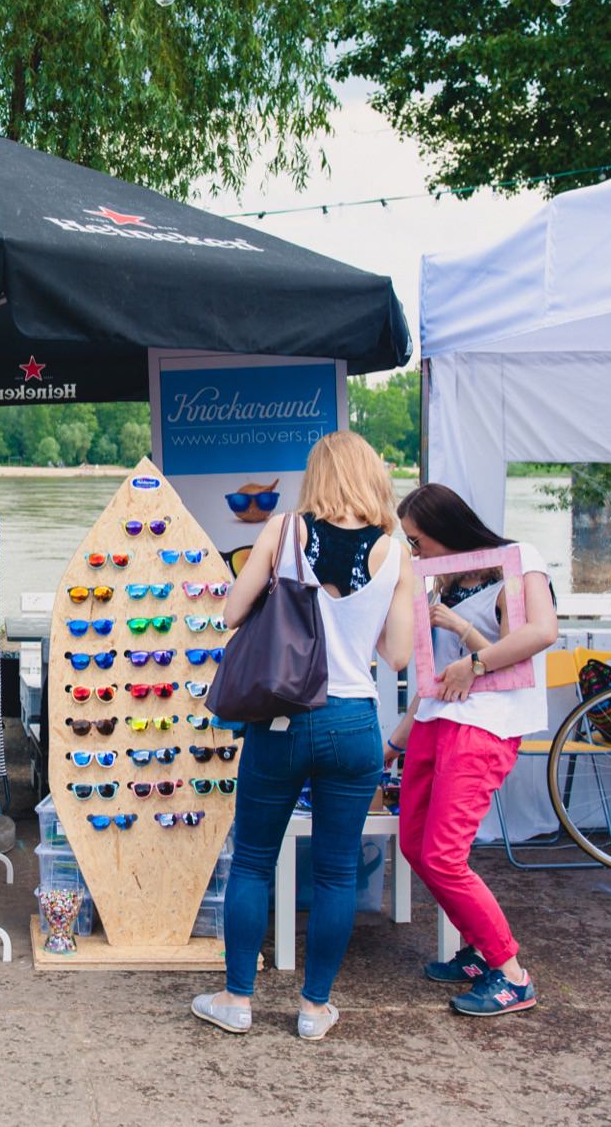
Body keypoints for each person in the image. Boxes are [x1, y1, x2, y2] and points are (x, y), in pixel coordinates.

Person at [192, 432, 418, 1040]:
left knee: (255, 861)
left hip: (285, 717)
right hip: (354, 723)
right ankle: (315, 1008)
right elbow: (397, 655)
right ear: (371, 476)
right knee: (338, 872)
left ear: (317, 477)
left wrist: (277, 589)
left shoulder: (285, 530)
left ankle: (237, 999)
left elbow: (231, 613)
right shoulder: (397, 555)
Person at [387, 483, 557, 1017]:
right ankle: (479, 951)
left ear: (446, 530)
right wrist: (394, 743)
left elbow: (540, 633)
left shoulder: (517, 560)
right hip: (438, 720)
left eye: (418, 541)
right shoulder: (442, 579)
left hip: (485, 725)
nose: (415, 552)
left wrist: (474, 657)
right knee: (415, 845)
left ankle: (511, 974)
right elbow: (431, 676)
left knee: (443, 854)